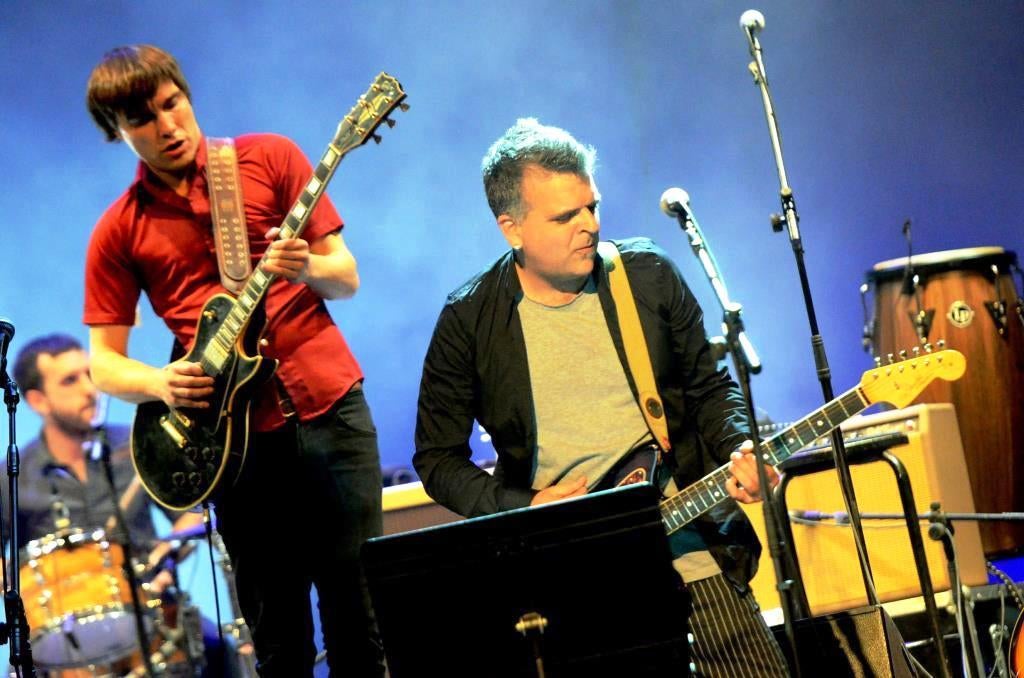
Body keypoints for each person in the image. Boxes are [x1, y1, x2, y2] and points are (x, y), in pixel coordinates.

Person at [414, 118, 790, 677]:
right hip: (568, 580)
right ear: (511, 228)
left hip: (691, 555)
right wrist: (524, 508)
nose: (587, 226)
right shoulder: (468, 320)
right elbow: (437, 459)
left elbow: (710, 389)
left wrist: (742, 449)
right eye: (565, 216)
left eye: (591, 207)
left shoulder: (645, 276)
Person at [82, 45, 384, 676]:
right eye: (143, 119)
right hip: (233, 449)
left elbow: (346, 278)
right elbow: (104, 364)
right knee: (281, 647)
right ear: (116, 132)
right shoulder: (118, 230)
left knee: (362, 622)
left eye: (173, 104)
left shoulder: (267, 157)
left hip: (329, 410)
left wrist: (305, 267)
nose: (168, 126)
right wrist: (160, 381)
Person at [7, 333, 219, 675]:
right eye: (69, 381)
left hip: (151, 607)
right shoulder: (12, 476)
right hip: (62, 633)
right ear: (37, 401)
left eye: (89, 375)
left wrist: (162, 563)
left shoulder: (137, 444)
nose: (89, 390)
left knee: (221, 647)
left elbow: (190, 518)